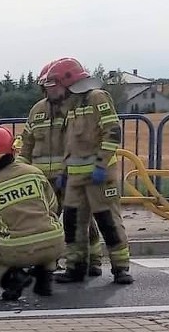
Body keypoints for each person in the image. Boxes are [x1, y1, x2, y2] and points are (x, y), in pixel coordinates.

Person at [45, 57, 132, 284]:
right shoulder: (72, 105)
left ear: (69, 80)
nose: (53, 91)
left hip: (98, 176)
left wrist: (101, 165)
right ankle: (75, 267)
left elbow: (112, 132)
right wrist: (65, 171)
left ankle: (120, 268)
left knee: (107, 221)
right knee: (73, 223)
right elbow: (70, 143)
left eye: (56, 84)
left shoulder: (97, 98)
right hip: (75, 176)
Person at [16, 61, 103, 276]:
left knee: (81, 223)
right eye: (47, 86)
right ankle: (47, 263)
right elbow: (26, 143)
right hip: (42, 181)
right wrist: (20, 170)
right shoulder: (37, 110)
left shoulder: (77, 108)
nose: (50, 89)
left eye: (54, 85)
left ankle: (92, 261)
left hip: (72, 177)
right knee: (44, 224)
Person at [0, 125, 65, 301]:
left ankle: (11, 278)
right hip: (56, 244)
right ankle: (45, 274)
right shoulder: (35, 173)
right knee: (44, 230)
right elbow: (52, 208)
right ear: (12, 151)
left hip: (16, 251)